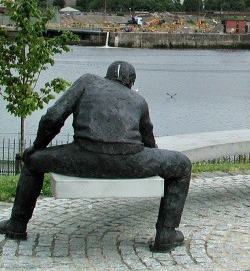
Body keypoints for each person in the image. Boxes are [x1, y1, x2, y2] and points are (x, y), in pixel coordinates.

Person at [0, 61, 192, 252]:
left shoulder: (87, 82)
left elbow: (53, 117)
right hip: (128, 162)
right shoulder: (138, 100)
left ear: (107, 75)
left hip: (83, 157)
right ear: (131, 82)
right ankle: (166, 234)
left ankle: (17, 225)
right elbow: (148, 142)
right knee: (182, 165)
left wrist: (36, 148)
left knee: (33, 161)